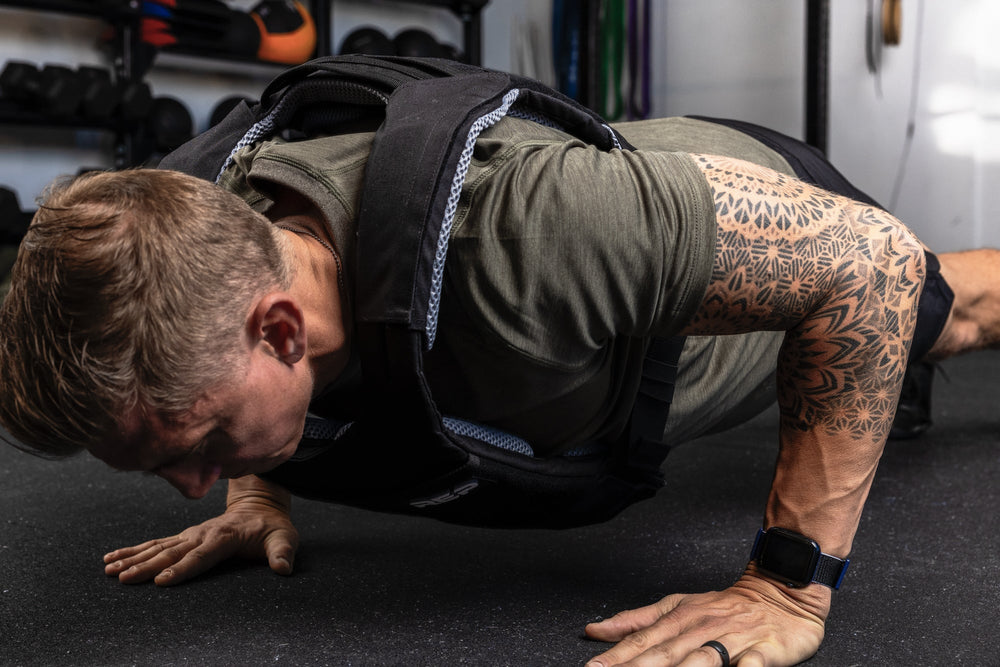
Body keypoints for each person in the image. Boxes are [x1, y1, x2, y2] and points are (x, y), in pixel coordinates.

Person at [2, 104, 999, 667]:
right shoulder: (212, 241)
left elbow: (868, 263)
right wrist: (255, 482)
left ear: (280, 327)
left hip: (724, 214)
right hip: (599, 259)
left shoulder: (531, 239)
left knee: (941, 313)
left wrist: (787, 586)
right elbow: (236, 366)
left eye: (205, 447)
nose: (189, 483)